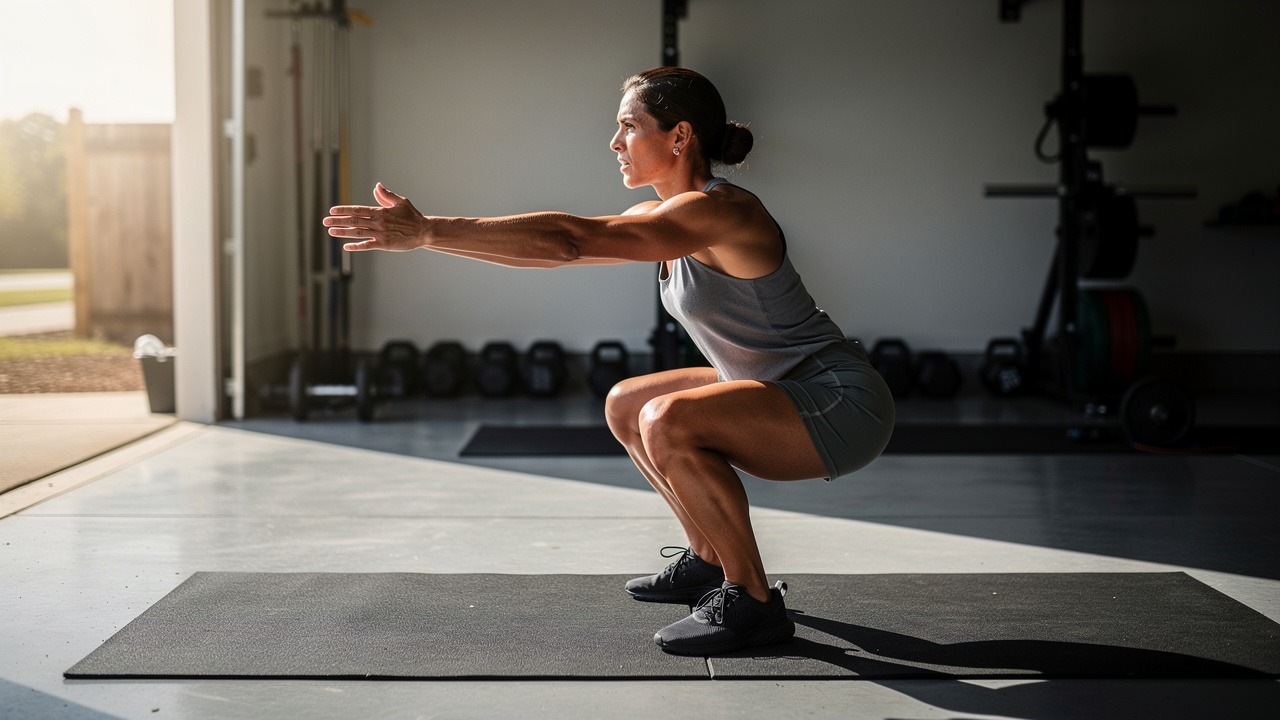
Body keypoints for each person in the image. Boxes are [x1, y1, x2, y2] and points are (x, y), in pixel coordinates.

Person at [324, 66, 895, 656]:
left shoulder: (722, 213)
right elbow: (558, 254)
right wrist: (430, 238)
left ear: (679, 136)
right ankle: (707, 559)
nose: (615, 143)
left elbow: (569, 239)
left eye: (628, 126)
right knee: (629, 402)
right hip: (774, 387)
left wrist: (427, 230)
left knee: (667, 419)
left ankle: (751, 601)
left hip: (836, 401)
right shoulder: (669, 217)